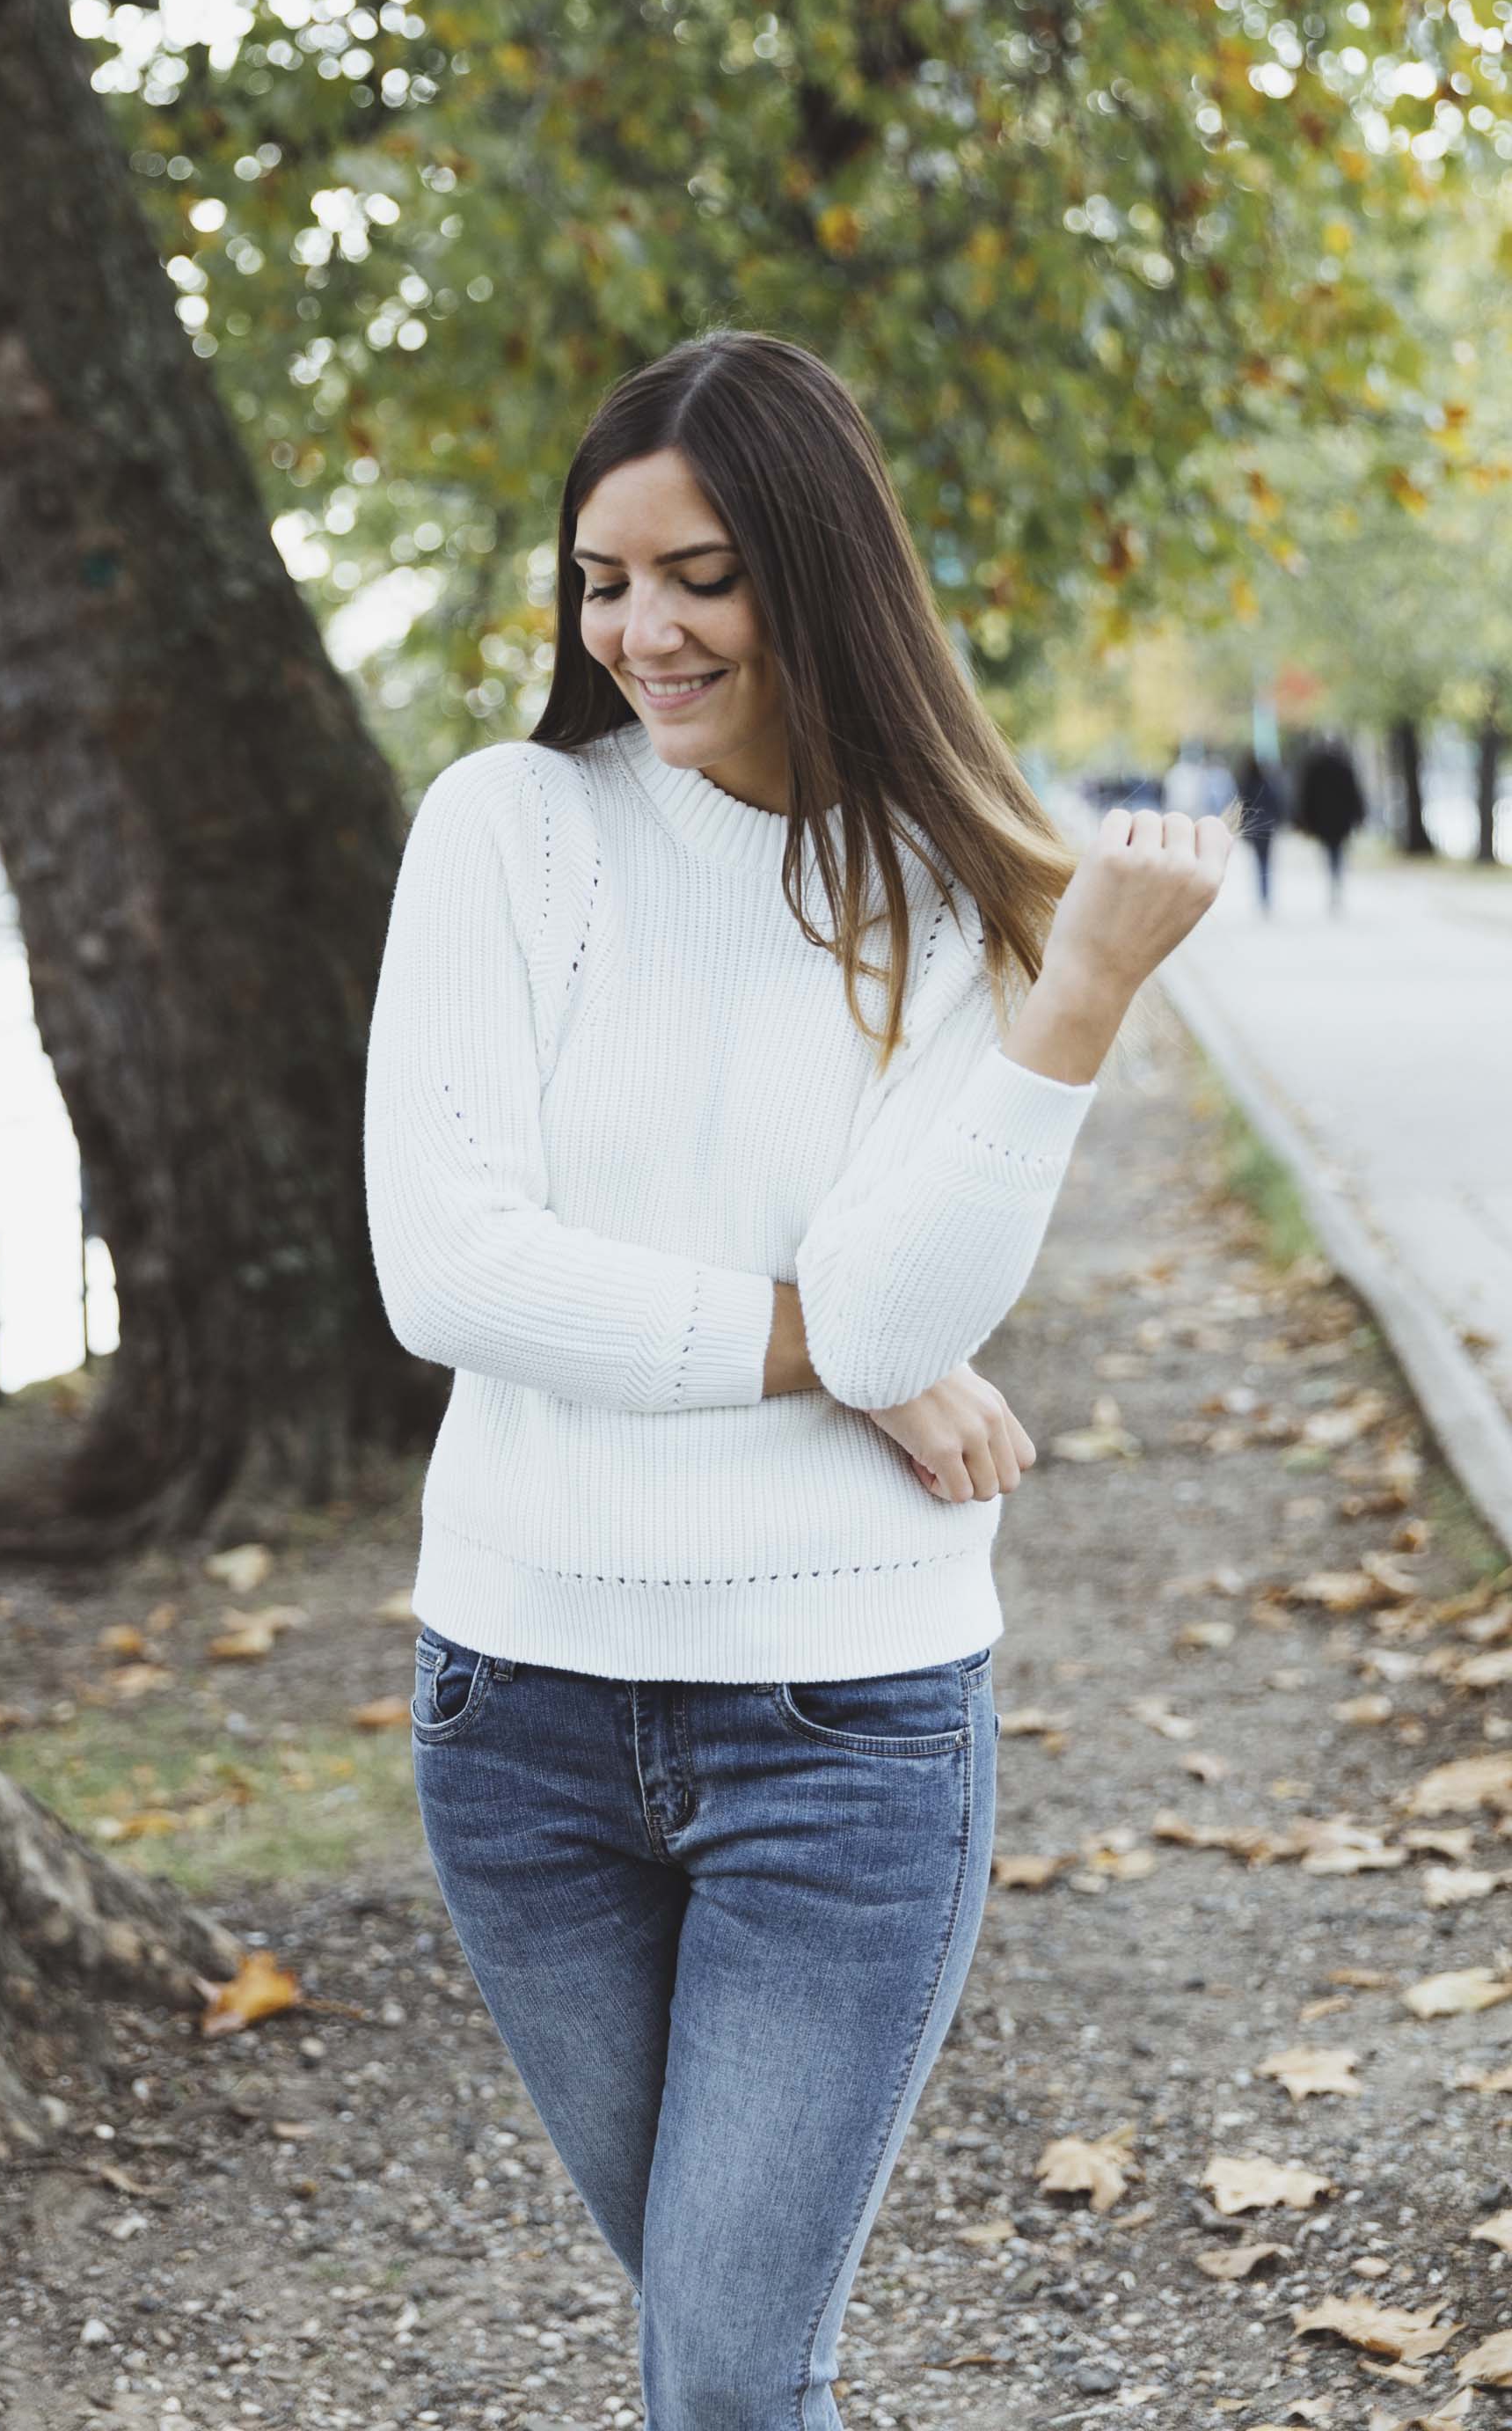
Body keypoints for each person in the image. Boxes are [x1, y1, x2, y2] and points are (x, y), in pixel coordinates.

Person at [362, 330, 1230, 2431]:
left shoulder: (966, 901)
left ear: (819, 574)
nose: (642, 629)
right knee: (712, 2360)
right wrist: (815, 1356)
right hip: (517, 1709)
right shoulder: (508, 828)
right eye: (602, 578)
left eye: (705, 576)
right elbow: (445, 1270)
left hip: (845, 1734)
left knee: (734, 2378)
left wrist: (1080, 999)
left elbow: (903, 1308)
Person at [1292, 732, 1366, 914]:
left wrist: (1304, 820)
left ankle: (1333, 880)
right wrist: (1358, 816)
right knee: (1337, 851)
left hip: (1323, 820)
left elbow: (1306, 796)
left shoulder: (1314, 767)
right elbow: (1354, 794)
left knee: (1330, 851)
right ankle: (1336, 880)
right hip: (1340, 819)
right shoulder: (1343, 766)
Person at [1234, 748, 1287, 912]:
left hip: (1255, 826)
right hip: (1267, 826)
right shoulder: (1267, 783)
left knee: (1259, 861)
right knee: (1266, 861)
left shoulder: (1246, 785)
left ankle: (1262, 895)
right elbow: (1276, 803)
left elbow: (1242, 808)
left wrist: (1242, 826)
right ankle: (1265, 895)